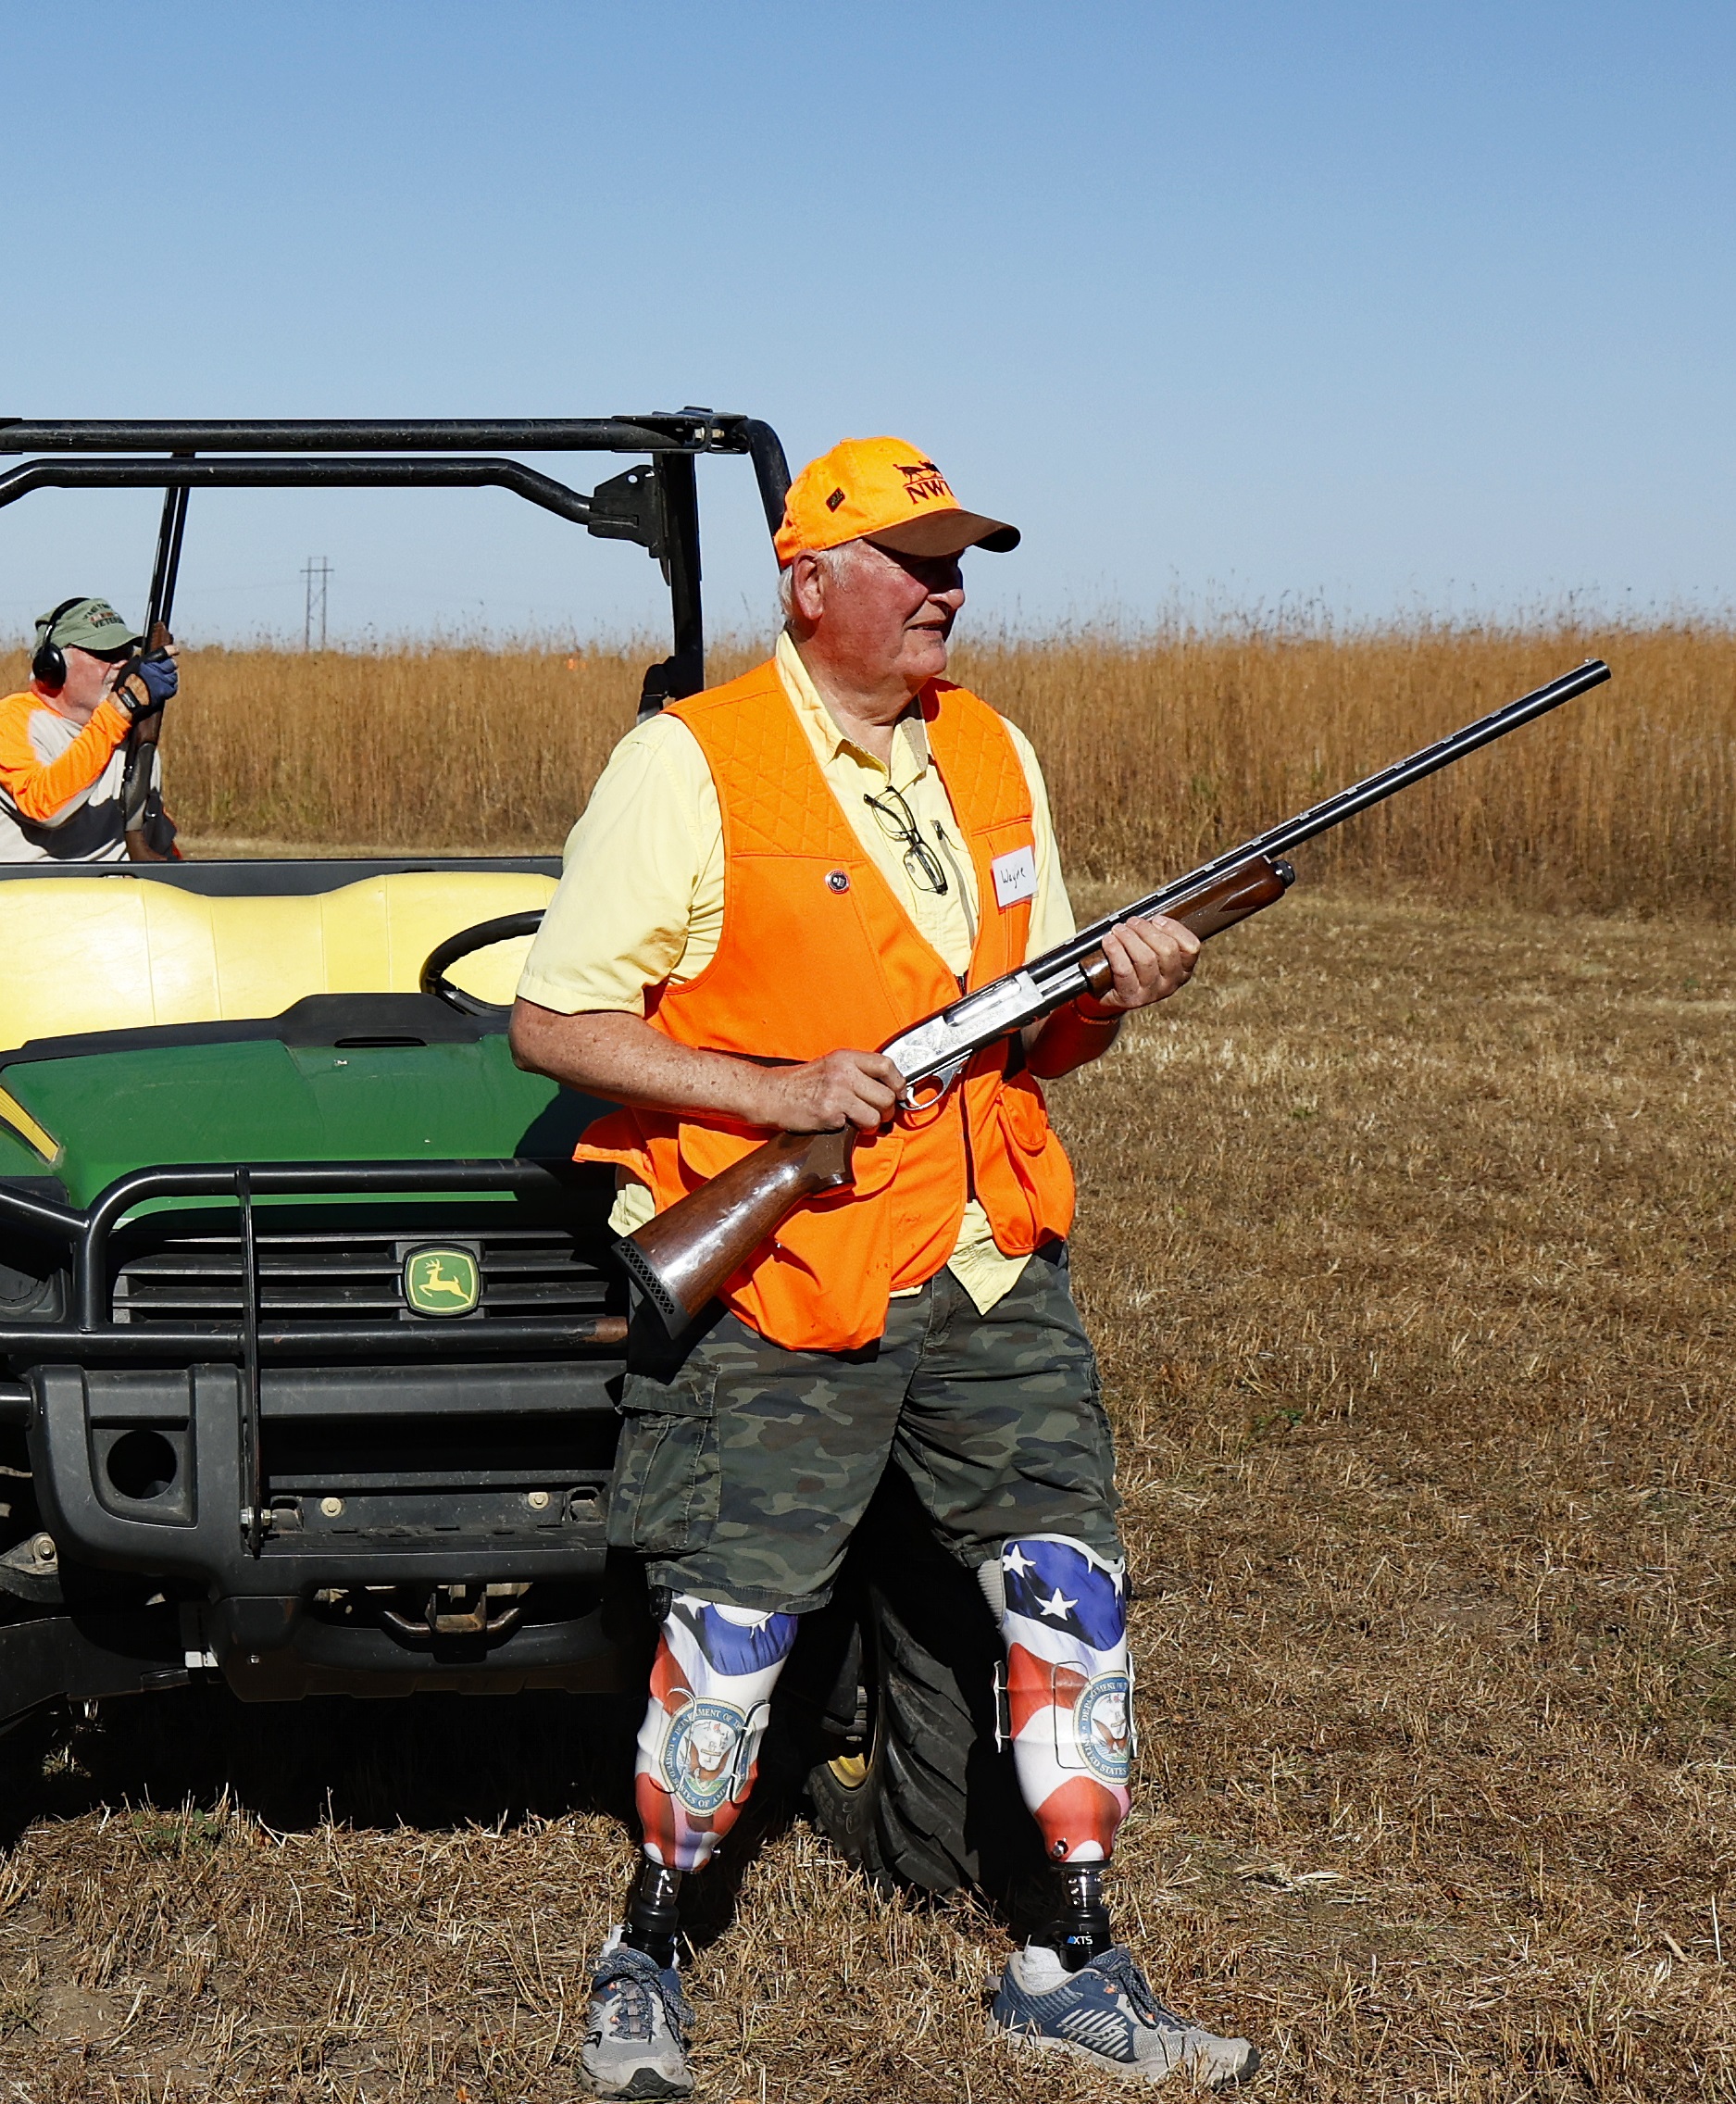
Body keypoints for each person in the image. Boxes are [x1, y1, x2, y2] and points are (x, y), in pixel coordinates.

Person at [511, 438, 1259, 2095]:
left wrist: (1125, 985)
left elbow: (1038, 1031)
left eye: (960, 557)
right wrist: (780, 1096)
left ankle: (1072, 1951)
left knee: (1071, 1595)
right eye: (914, 560)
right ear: (809, 583)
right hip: (793, 1271)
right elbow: (555, 1019)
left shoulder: (991, 747)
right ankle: (645, 1947)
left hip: (992, 1255)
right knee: (737, 1630)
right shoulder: (690, 764)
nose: (948, 587)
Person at [0, 596, 178, 862]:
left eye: (126, 654)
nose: (121, 665)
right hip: (30, 899)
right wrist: (123, 707)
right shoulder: (11, 720)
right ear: (53, 665)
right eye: (106, 655)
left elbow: (159, 847)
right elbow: (44, 805)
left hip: (116, 899)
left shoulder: (131, 735)